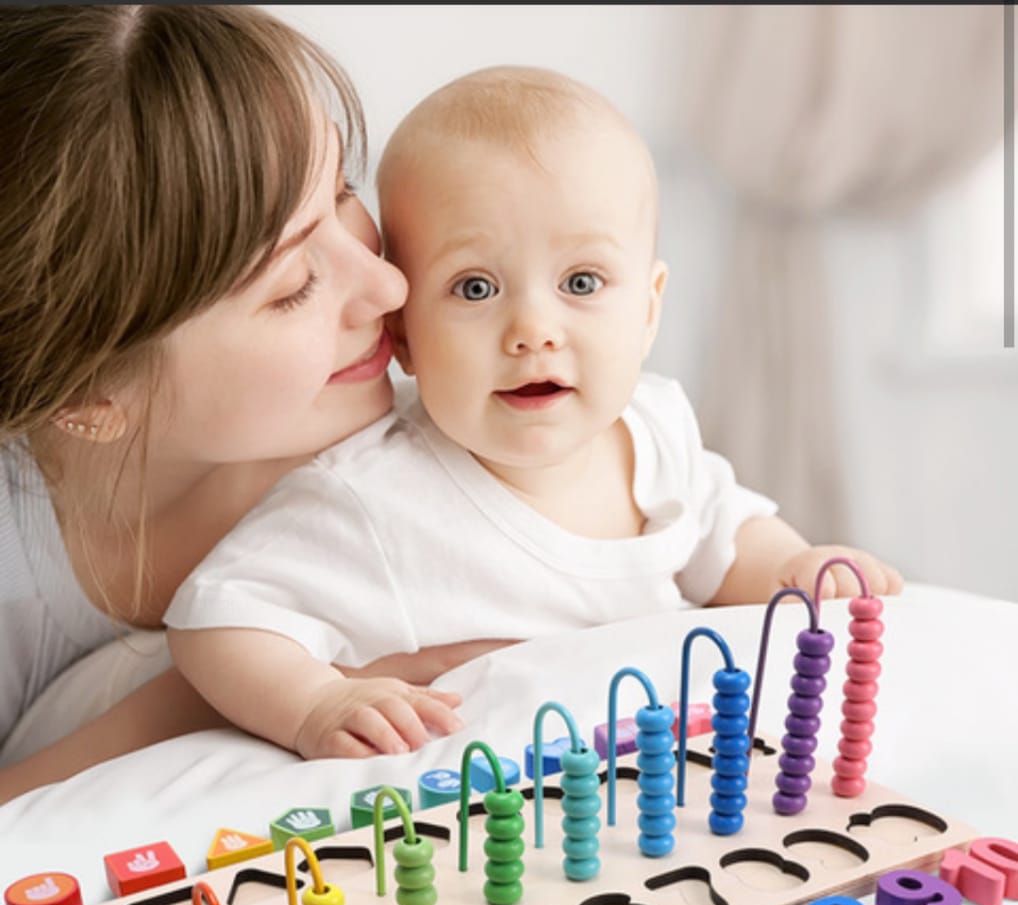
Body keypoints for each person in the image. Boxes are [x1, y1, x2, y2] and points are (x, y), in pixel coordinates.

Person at [166, 66, 904, 761]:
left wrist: (795, 568)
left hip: (653, 775)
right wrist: (315, 705)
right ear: (403, 338)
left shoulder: (655, 425)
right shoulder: (373, 496)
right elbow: (218, 618)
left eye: (581, 280)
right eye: (476, 289)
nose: (533, 330)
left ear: (648, 310)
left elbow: (724, 534)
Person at [0, 5, 467, 807]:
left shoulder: (430, 434)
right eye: (292, 290)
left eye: (343, 189)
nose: (389, 286)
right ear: (89, 397)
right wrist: (237, 688)